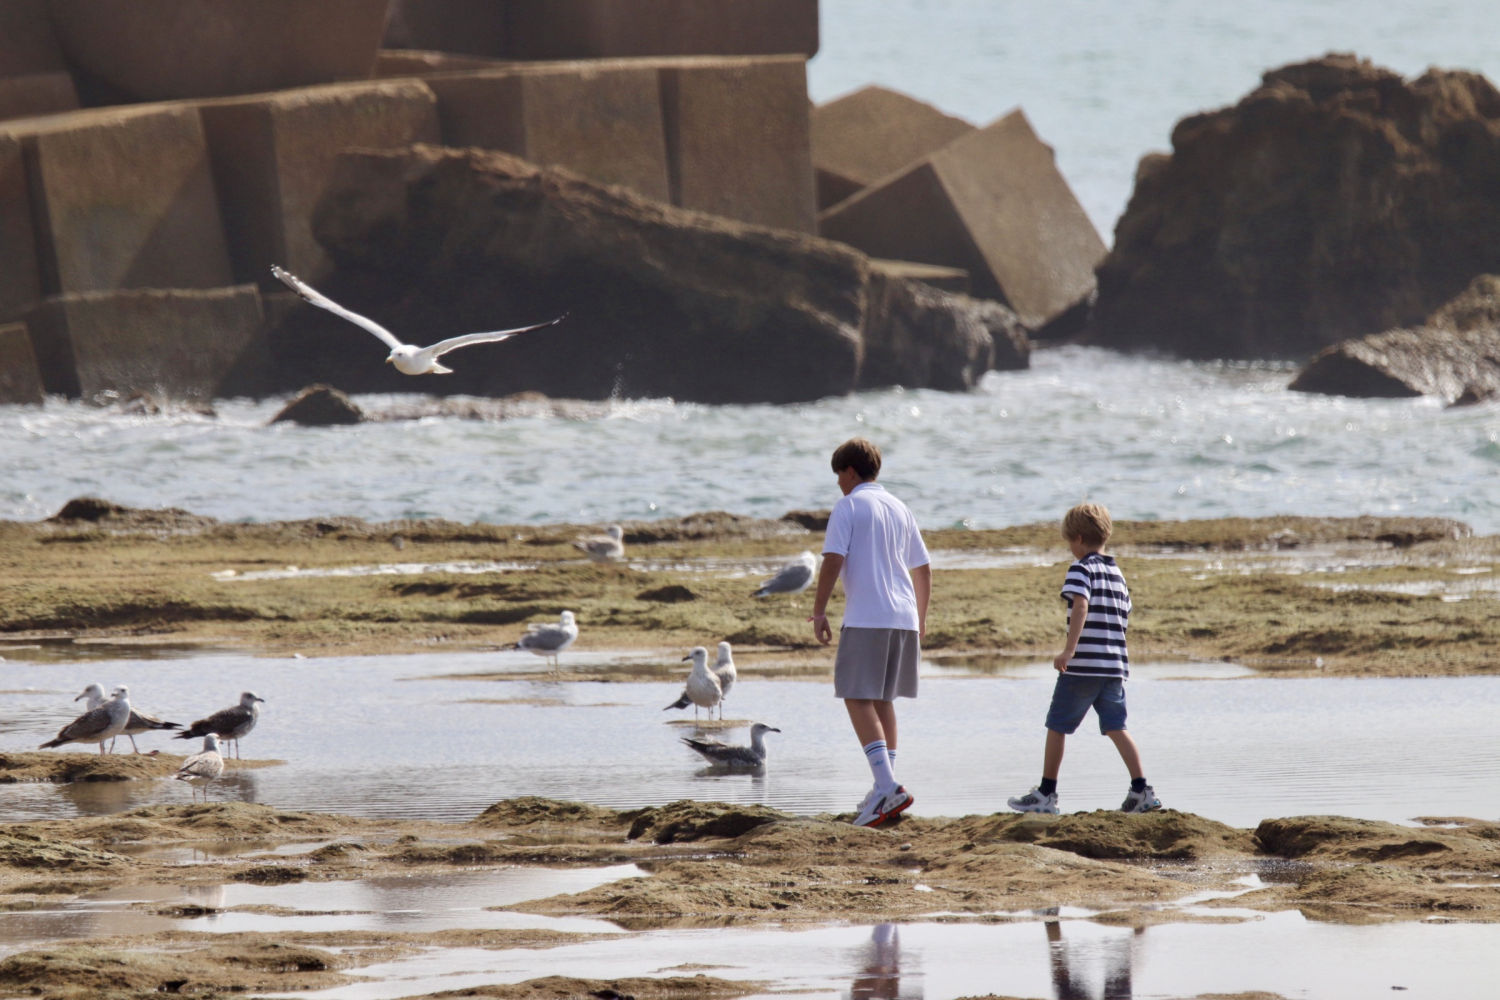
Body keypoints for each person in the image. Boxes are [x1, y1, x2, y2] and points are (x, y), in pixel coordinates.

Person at [1008, 502, 1163, 815]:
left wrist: (1069, 650)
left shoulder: (1081, 569)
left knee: (1057, 725)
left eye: (1069, 542)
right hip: (1114, 666)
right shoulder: (1117, 574)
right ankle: (1141, 789)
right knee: (1117, 727)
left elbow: (1080, 606)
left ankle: (1046, 794)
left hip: (1083, 666)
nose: (1069, 548)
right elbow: (1124, 616)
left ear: (1077, 539)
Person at [809, 438, 931, 828]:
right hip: (904, 616)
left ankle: (887, 786)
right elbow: (923, 568)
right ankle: (885, 787)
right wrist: (921, 619)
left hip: (868, 616)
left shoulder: (848, 506)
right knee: (883, 700)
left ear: (849, 471)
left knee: (856, 696)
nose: (839, 486)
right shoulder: (900, 506)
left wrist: (819, 609)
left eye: (839, 477)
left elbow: (833, 558)